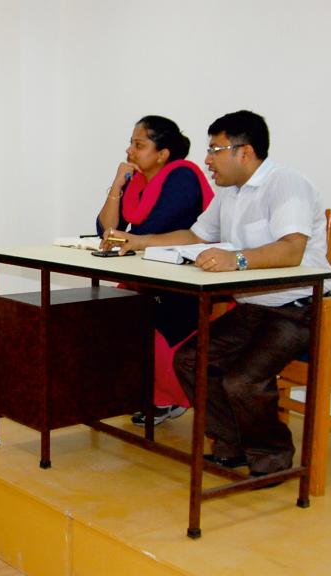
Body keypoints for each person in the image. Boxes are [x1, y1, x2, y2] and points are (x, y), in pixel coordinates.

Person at [111, 110, 331, 478]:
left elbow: (292, 249)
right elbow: (196, 236)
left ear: (244, 152)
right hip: (254, 307)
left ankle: (272, 458)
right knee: (190, 360)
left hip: (298, 308)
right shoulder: (230, 193)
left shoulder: (286, 184)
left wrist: (238, 259)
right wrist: (139, 242)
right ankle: (231, 445)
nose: (207, 158)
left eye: (215, 149)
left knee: (242, 379)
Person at [96, 116, 214, 425]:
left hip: (191, 282)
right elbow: (106, 230)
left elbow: (154, 229)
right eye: (131, 143)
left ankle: (168, 399)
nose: (130, 150)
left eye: (139, 144)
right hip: (152, 275)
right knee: (111, 316)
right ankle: (142, 394)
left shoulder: (183, 176)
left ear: (162, 153)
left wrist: (128, 237)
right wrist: (117, 184)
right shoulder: (136, 181)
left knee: (145, 322)